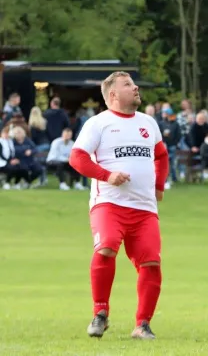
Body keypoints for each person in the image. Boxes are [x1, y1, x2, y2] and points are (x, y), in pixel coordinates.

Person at [69, 71, 169, 340]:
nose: (136, 87)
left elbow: (161, 155)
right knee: (106, 247)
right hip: (109, 203)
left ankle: (142, 325)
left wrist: (159, 185)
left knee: (151, 263)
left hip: (145, 208)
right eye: (128, 85)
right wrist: (108, 175)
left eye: (134, 83)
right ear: (113, 94)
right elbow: (77, 158)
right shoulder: (98, 124)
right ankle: (100, 314)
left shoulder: (148, 122)